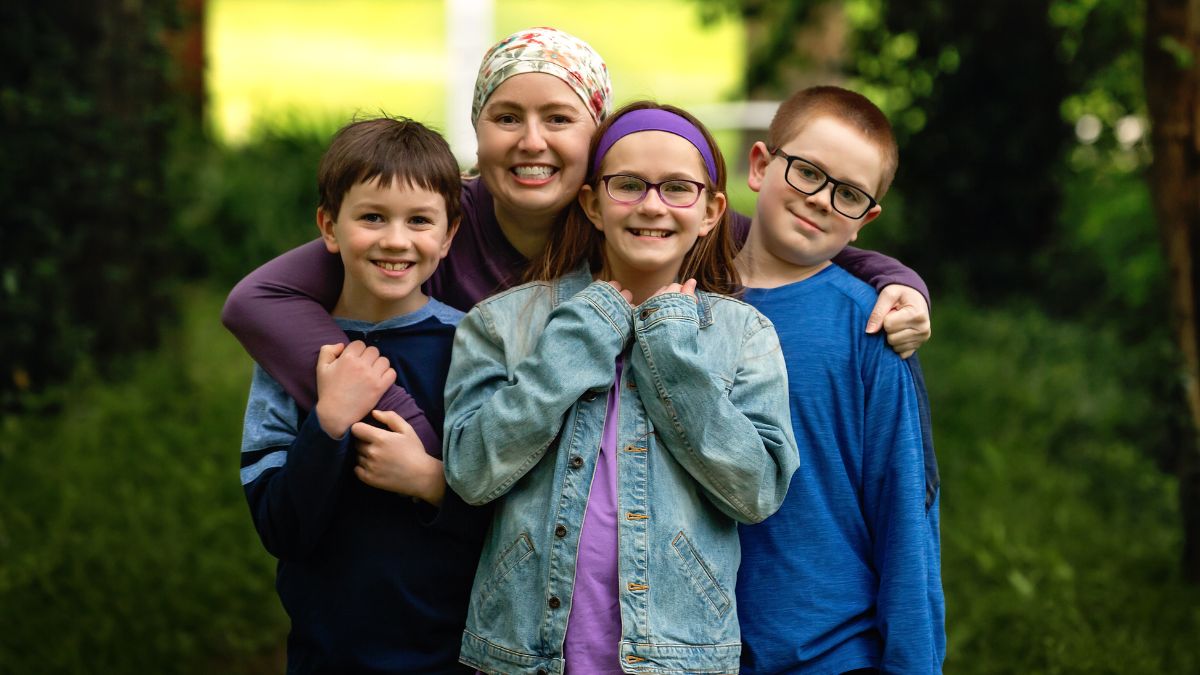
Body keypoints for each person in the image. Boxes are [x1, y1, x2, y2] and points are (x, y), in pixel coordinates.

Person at [219, 27, 933, 462]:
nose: (532, 141)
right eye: (506, 117)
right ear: (478, 130)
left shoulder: (637, 221)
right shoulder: (428, 222)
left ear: (597, 139)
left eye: (558, 118)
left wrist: (895, 277)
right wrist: (409, 427)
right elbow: (259, 298)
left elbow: (784, 242)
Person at [442, 101, 799, 675]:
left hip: (680, 657)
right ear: (592, 202)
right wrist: (578, 340)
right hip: (519, 654)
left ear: (711, 211)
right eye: (628, 185)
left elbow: (756, 492)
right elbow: (472, 471)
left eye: (678, 188)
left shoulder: (744, 335)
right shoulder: (503, 323)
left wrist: (672, 354)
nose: (652, 205)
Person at [238, 116, 486, 674]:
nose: (395, 240)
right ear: (329, 226)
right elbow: (281, 529)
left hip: (458, 657)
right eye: (372, 217)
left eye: (419, 220)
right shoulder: (288, 354)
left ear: (448, 236)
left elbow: (517, 518)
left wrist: (431, 482)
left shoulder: (477, 346)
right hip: (326, 657)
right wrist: (328, 424)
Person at [733, 86, 945, 674]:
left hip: (829, 654)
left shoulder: (875, 328)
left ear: (866, 220)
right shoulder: (680, 295)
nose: (821, 201)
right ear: (759, 165)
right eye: (807, 173)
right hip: (686, 649)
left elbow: (906, 511)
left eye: (848, 193)